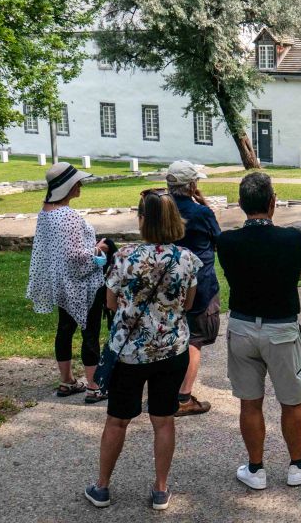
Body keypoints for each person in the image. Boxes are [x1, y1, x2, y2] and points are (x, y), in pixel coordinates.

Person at [84, 189, 202, 510]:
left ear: (142, 220)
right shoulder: (188, 259)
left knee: (117, 420)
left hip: (129, 353)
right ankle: (161, 489)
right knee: (163, 420)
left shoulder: (124, 257)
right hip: (171, 350)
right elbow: (188, 304)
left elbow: (110, 302)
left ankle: (102, 486)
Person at [217, 172, 301, 490]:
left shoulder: (227, 242)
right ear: (273, 203)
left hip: (243, 324)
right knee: (291, 400)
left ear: (242, 205)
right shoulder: (291, 238)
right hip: (281, 326)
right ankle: (297, 465)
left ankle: (256, 468)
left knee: (250, 402)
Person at [26, 162, 110, 403]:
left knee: (65, 329)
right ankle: (94, 386)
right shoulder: (69, 216)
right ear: (67, 185)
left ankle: (67, 381)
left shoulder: (46, 211)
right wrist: (99, 250)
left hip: (60, 282)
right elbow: (75, 255)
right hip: (82, 283)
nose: (80, 185)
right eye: (77, 182)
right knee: (90, 331)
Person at [166, 160, 222, 417]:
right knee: (195, 339)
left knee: (171, 334)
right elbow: (219, 240)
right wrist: (204, 203)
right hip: (199, 283)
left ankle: (166, 390)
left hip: (167, 280)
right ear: (192, 185)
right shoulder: (201, 213)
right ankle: (183, 397)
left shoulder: (161, 208)